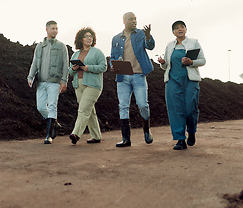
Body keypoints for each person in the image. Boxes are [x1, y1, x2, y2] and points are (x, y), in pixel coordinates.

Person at [157, 20, 206, 150]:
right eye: (176, 28)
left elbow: (202, 60)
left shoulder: (193, 42)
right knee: (175, 110)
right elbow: (166, 66)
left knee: (190, 108)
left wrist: (191, 62)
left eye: (182, 27)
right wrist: (162, 62)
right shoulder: (169, 46)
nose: (180, 29)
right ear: (173, 32)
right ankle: (180, 139)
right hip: (173, 81)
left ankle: (191, 131)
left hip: (190, 80)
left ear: (185, 29)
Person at [110, 12, 155, 147]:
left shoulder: (141, 34)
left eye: (135, 19)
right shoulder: (116, 38)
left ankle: (146, 130)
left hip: (139, 75)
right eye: (131, 19)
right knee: (123, 106)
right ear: (124, 21)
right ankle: (126, 139)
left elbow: (150, 46)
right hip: (122, 77)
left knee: (143, 104)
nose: (134, 21)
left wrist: (148, 36)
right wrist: (113, 66)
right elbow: (112, 56)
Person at [27, 20, 69, 144]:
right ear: (47, 29)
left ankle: (48, 135)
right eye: (53, 28)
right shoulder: (39, 46)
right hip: (41, 81)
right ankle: (54, 122)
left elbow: (65, 65)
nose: (55, 31)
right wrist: (30, 77)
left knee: (52, 106)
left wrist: (64, 81)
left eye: (56, 28)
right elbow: (34, 62)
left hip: (54, 82)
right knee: (40, 107)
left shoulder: (61, 46)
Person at [68, 27, 107, 145]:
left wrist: (88, 68)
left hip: (93, 85)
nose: (89, 38)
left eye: (91, 36)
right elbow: (70, 72)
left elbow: (103, 67)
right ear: (81, 39)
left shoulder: (97, 52)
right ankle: (96, 136)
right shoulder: (76, 54)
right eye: (87, 36)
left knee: (83, 109)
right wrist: (73, 68)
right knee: (89, 111)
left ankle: (76, 134)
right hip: (78, 85)